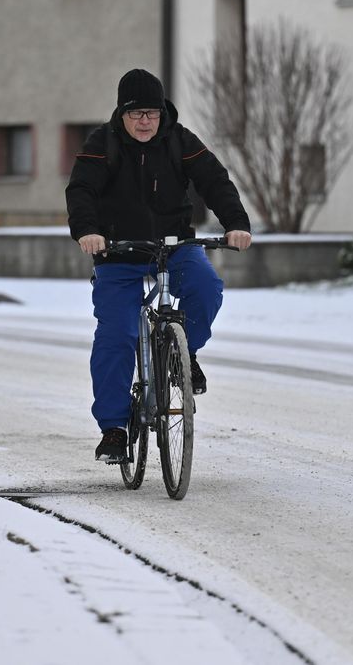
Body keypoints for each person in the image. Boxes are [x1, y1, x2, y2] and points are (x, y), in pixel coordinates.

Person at [65, 68, 252, 464]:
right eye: (136, 115)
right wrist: (87, 231)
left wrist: (236, 223)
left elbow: (214, 180)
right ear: (122, 115)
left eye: (151, 113)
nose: (145, 121)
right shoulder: (103, 143)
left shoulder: (179, 140)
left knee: (206, 286)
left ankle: (183, 355)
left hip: (173, 244)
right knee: (116, 333)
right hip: (118, 250)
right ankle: (114, 429)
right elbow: (81, 189)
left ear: (162, 112)